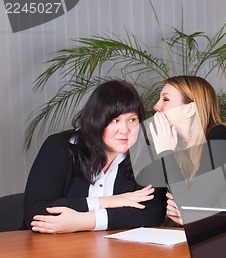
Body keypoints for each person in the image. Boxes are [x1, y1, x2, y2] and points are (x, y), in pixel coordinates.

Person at [23, 79, 166, 233]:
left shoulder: (146, 155)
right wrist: (109, 202)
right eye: (115, 120)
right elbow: (37, 212)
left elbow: (152, 214)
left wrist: (84, 220)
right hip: (52, 250)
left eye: (132, 120)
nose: (125, 130)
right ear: (96, 120)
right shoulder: (59, 147)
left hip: (118, 252)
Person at [145, 75, 226, 225]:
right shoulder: (183, 149)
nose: (156, 106)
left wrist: (166, 152)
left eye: (165, 99)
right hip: (219, 237)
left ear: (190, 109)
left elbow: (189, 204)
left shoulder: (223, 136)